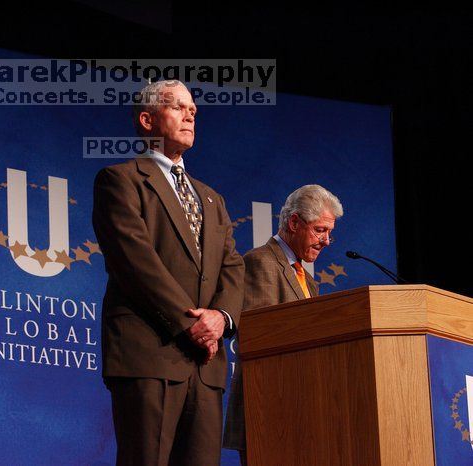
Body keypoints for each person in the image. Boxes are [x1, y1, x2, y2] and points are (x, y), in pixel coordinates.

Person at [92, 79, 244, 465]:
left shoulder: (212, 198)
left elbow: (232, 266)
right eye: (177, 106)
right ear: (147, 120)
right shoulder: (121, 180)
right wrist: (189, 322)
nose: (190, 113)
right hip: (150, 352)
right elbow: (135, 262)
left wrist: (220, 319)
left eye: (192, 109)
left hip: (206, 364)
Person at [223, 184, 343, 465]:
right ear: (293, 222)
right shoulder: (261, 262)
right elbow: (261, 338)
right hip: (269, 410)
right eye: (320, 230)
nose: (326, 241)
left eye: (330, 234)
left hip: (302, 408)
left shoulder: (308, 280)